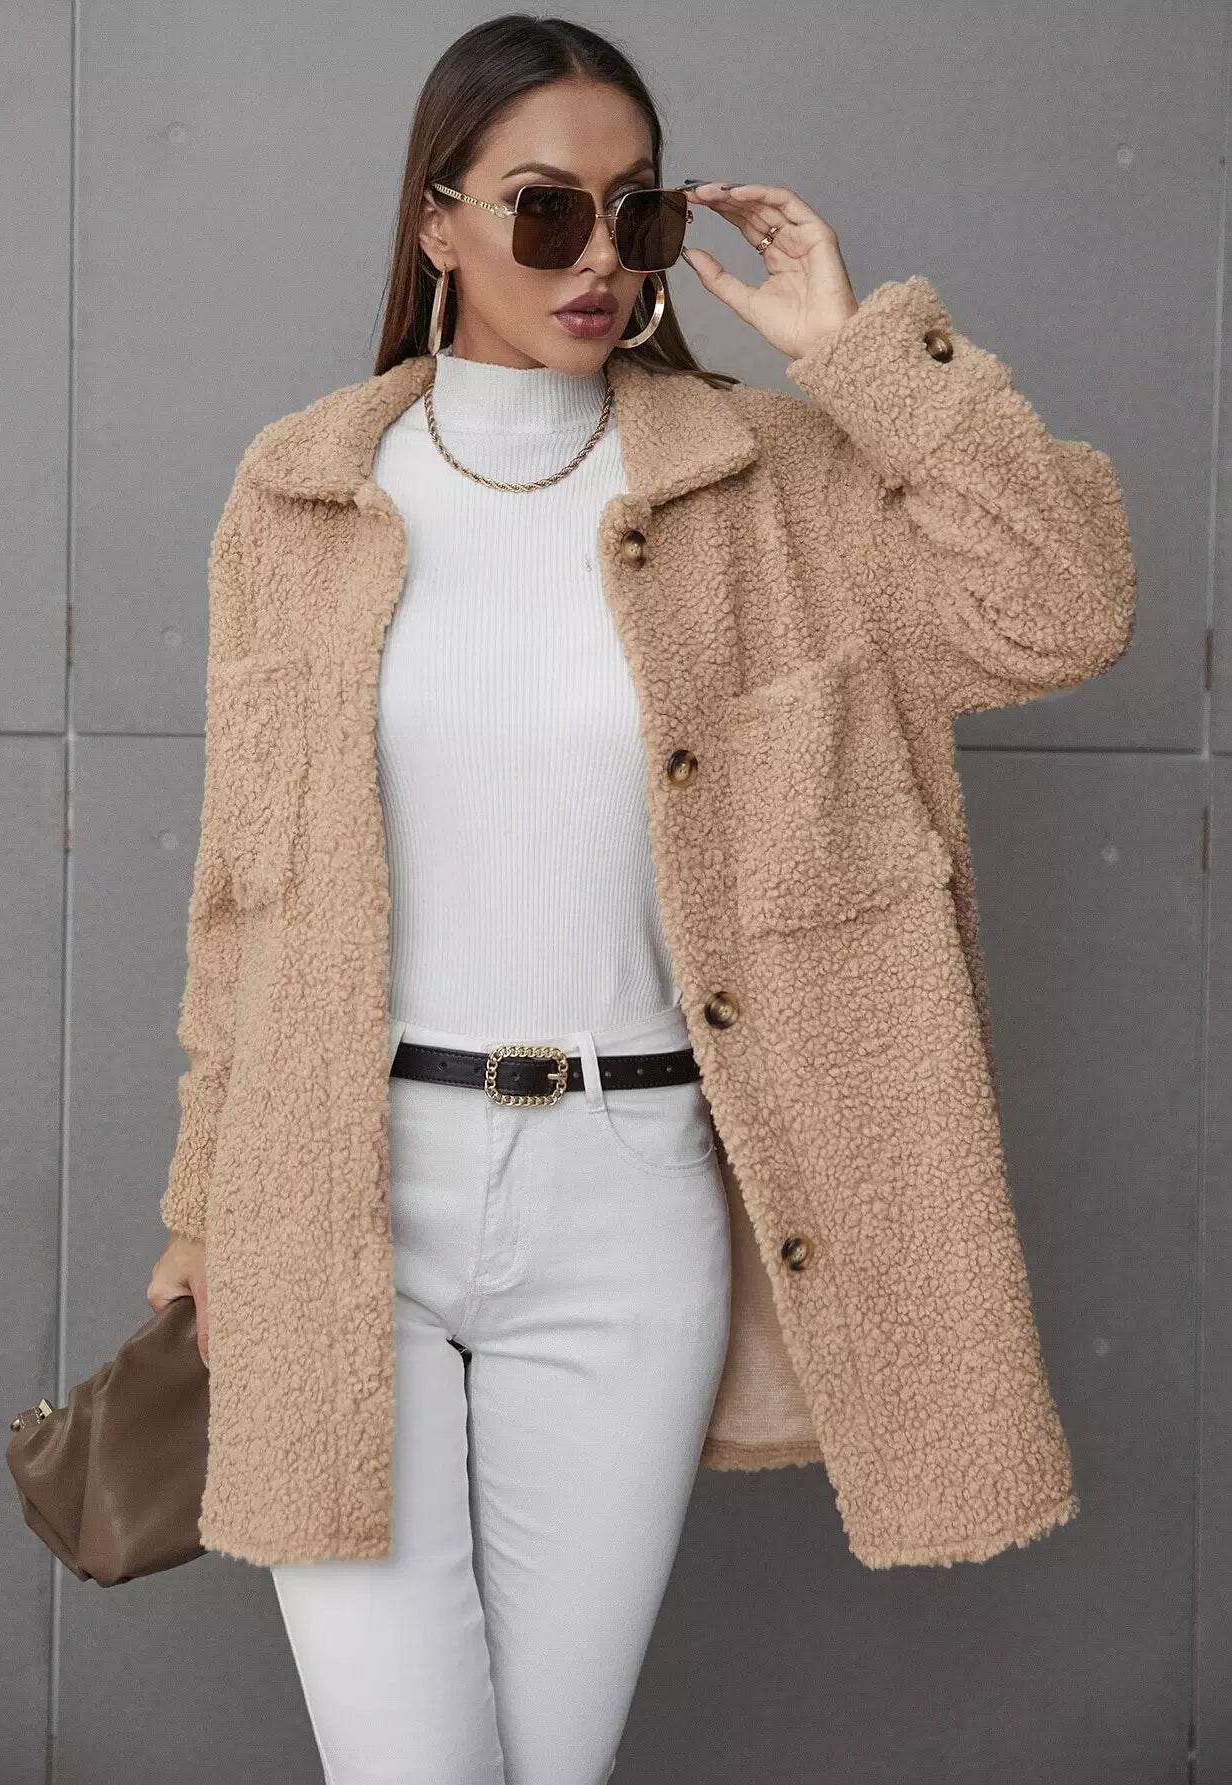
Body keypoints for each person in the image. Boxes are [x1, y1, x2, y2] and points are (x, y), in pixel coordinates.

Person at [146, 13, 1136, 1785]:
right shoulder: (301, 491)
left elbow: (1061, 608)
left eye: (640, 213)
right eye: (546, 211)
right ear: (437, 220)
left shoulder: (771, 483)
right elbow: (246, 896)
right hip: (337, 1194)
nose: (599, 258)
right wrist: (198, 1204)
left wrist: (859, 357)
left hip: (631, 1204)